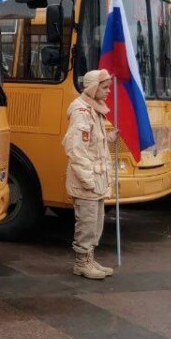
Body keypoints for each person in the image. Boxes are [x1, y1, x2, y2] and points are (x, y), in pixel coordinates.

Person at [63, 69, 116, 280]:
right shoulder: (81, 111)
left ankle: (90, 259)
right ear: (93, 88)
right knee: (86, 223)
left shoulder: (95, 110)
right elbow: (76, 149)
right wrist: (88, 180)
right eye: (104, 87)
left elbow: (92, 144)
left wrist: (110, 137)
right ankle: (81, 263)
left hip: (97, 181)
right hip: (87, 181)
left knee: (96, 222)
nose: (108, 91)